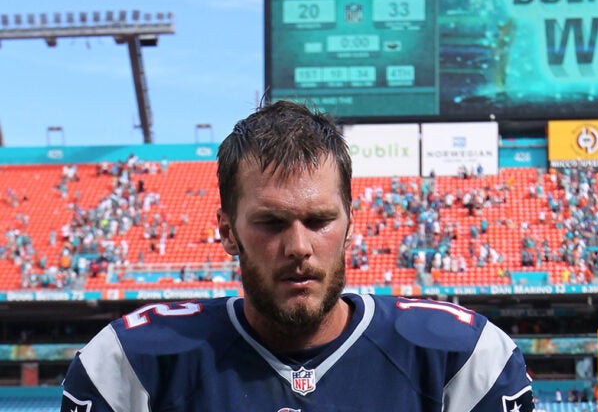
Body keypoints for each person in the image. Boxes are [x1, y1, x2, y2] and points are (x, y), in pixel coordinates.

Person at [60, 100, 535, 411]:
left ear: (350, 222)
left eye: (319, 220)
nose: (299, 248)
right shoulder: (132, 362)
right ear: (228, 231)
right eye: (271, 222)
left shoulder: (460, 357)